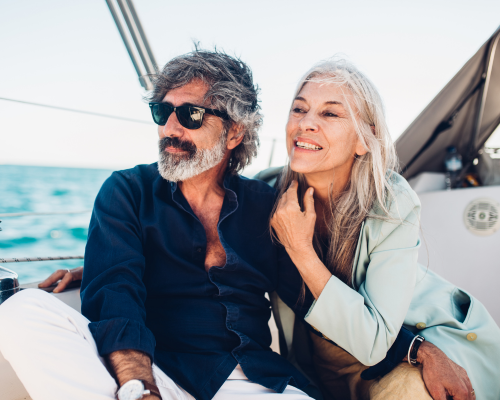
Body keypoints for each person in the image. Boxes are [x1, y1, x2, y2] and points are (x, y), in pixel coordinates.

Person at [0, 50, 474, 400]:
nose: (170, 128)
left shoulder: (268, 206)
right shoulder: (127, 192)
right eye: (162, 113)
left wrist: (419, 349)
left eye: (190, 114)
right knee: (21, 312)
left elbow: (311, 295)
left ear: (233, 132)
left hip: (257, 383)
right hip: (160, 377)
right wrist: (137, 384)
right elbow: (118, 290)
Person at [270, 58, 500, 400]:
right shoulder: (264, 195)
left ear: (365, 140)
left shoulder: (389, 199)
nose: (306, 124)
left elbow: (374, 342)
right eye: (299, 109)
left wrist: (301, 250)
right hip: (318, 361)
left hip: (414, 337)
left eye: (330, 114)